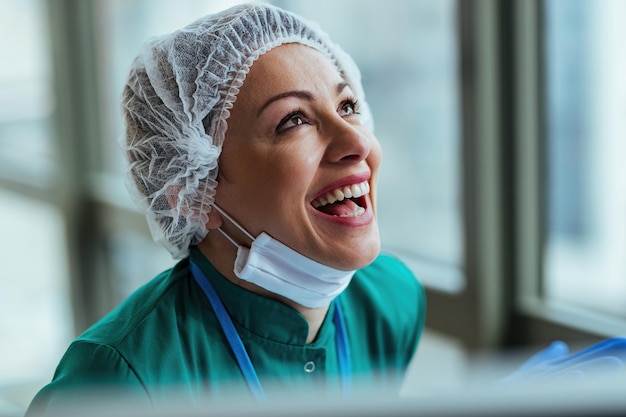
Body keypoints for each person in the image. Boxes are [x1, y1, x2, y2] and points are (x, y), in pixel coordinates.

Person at [26, 3, 426, 415]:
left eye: (347, 106)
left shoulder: (390, 300)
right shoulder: (118, 381)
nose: (357, 142)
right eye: (293, 120)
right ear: (192, 192)